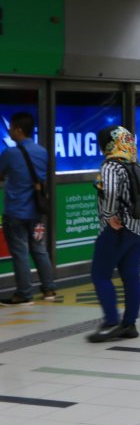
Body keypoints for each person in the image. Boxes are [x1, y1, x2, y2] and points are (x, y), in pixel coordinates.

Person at [88, 126, 140, 342]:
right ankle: (129, 324)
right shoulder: (135, 163)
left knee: (100, 275)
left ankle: (111, 322)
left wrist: (110, 214)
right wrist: (139, 210)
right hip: (139, 229)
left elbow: (108, 189)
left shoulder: (110, 165)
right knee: (130, 275)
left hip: (117, 231)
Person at [0, 112, 56, 305]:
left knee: (20, 253)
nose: (9, 131)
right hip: (37, 212)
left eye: (11, 128)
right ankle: (49, 290)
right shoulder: (42, 152)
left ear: (18, 130)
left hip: (15, 212)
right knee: (39, 249)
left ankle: (24, 294)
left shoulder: (10, 153)